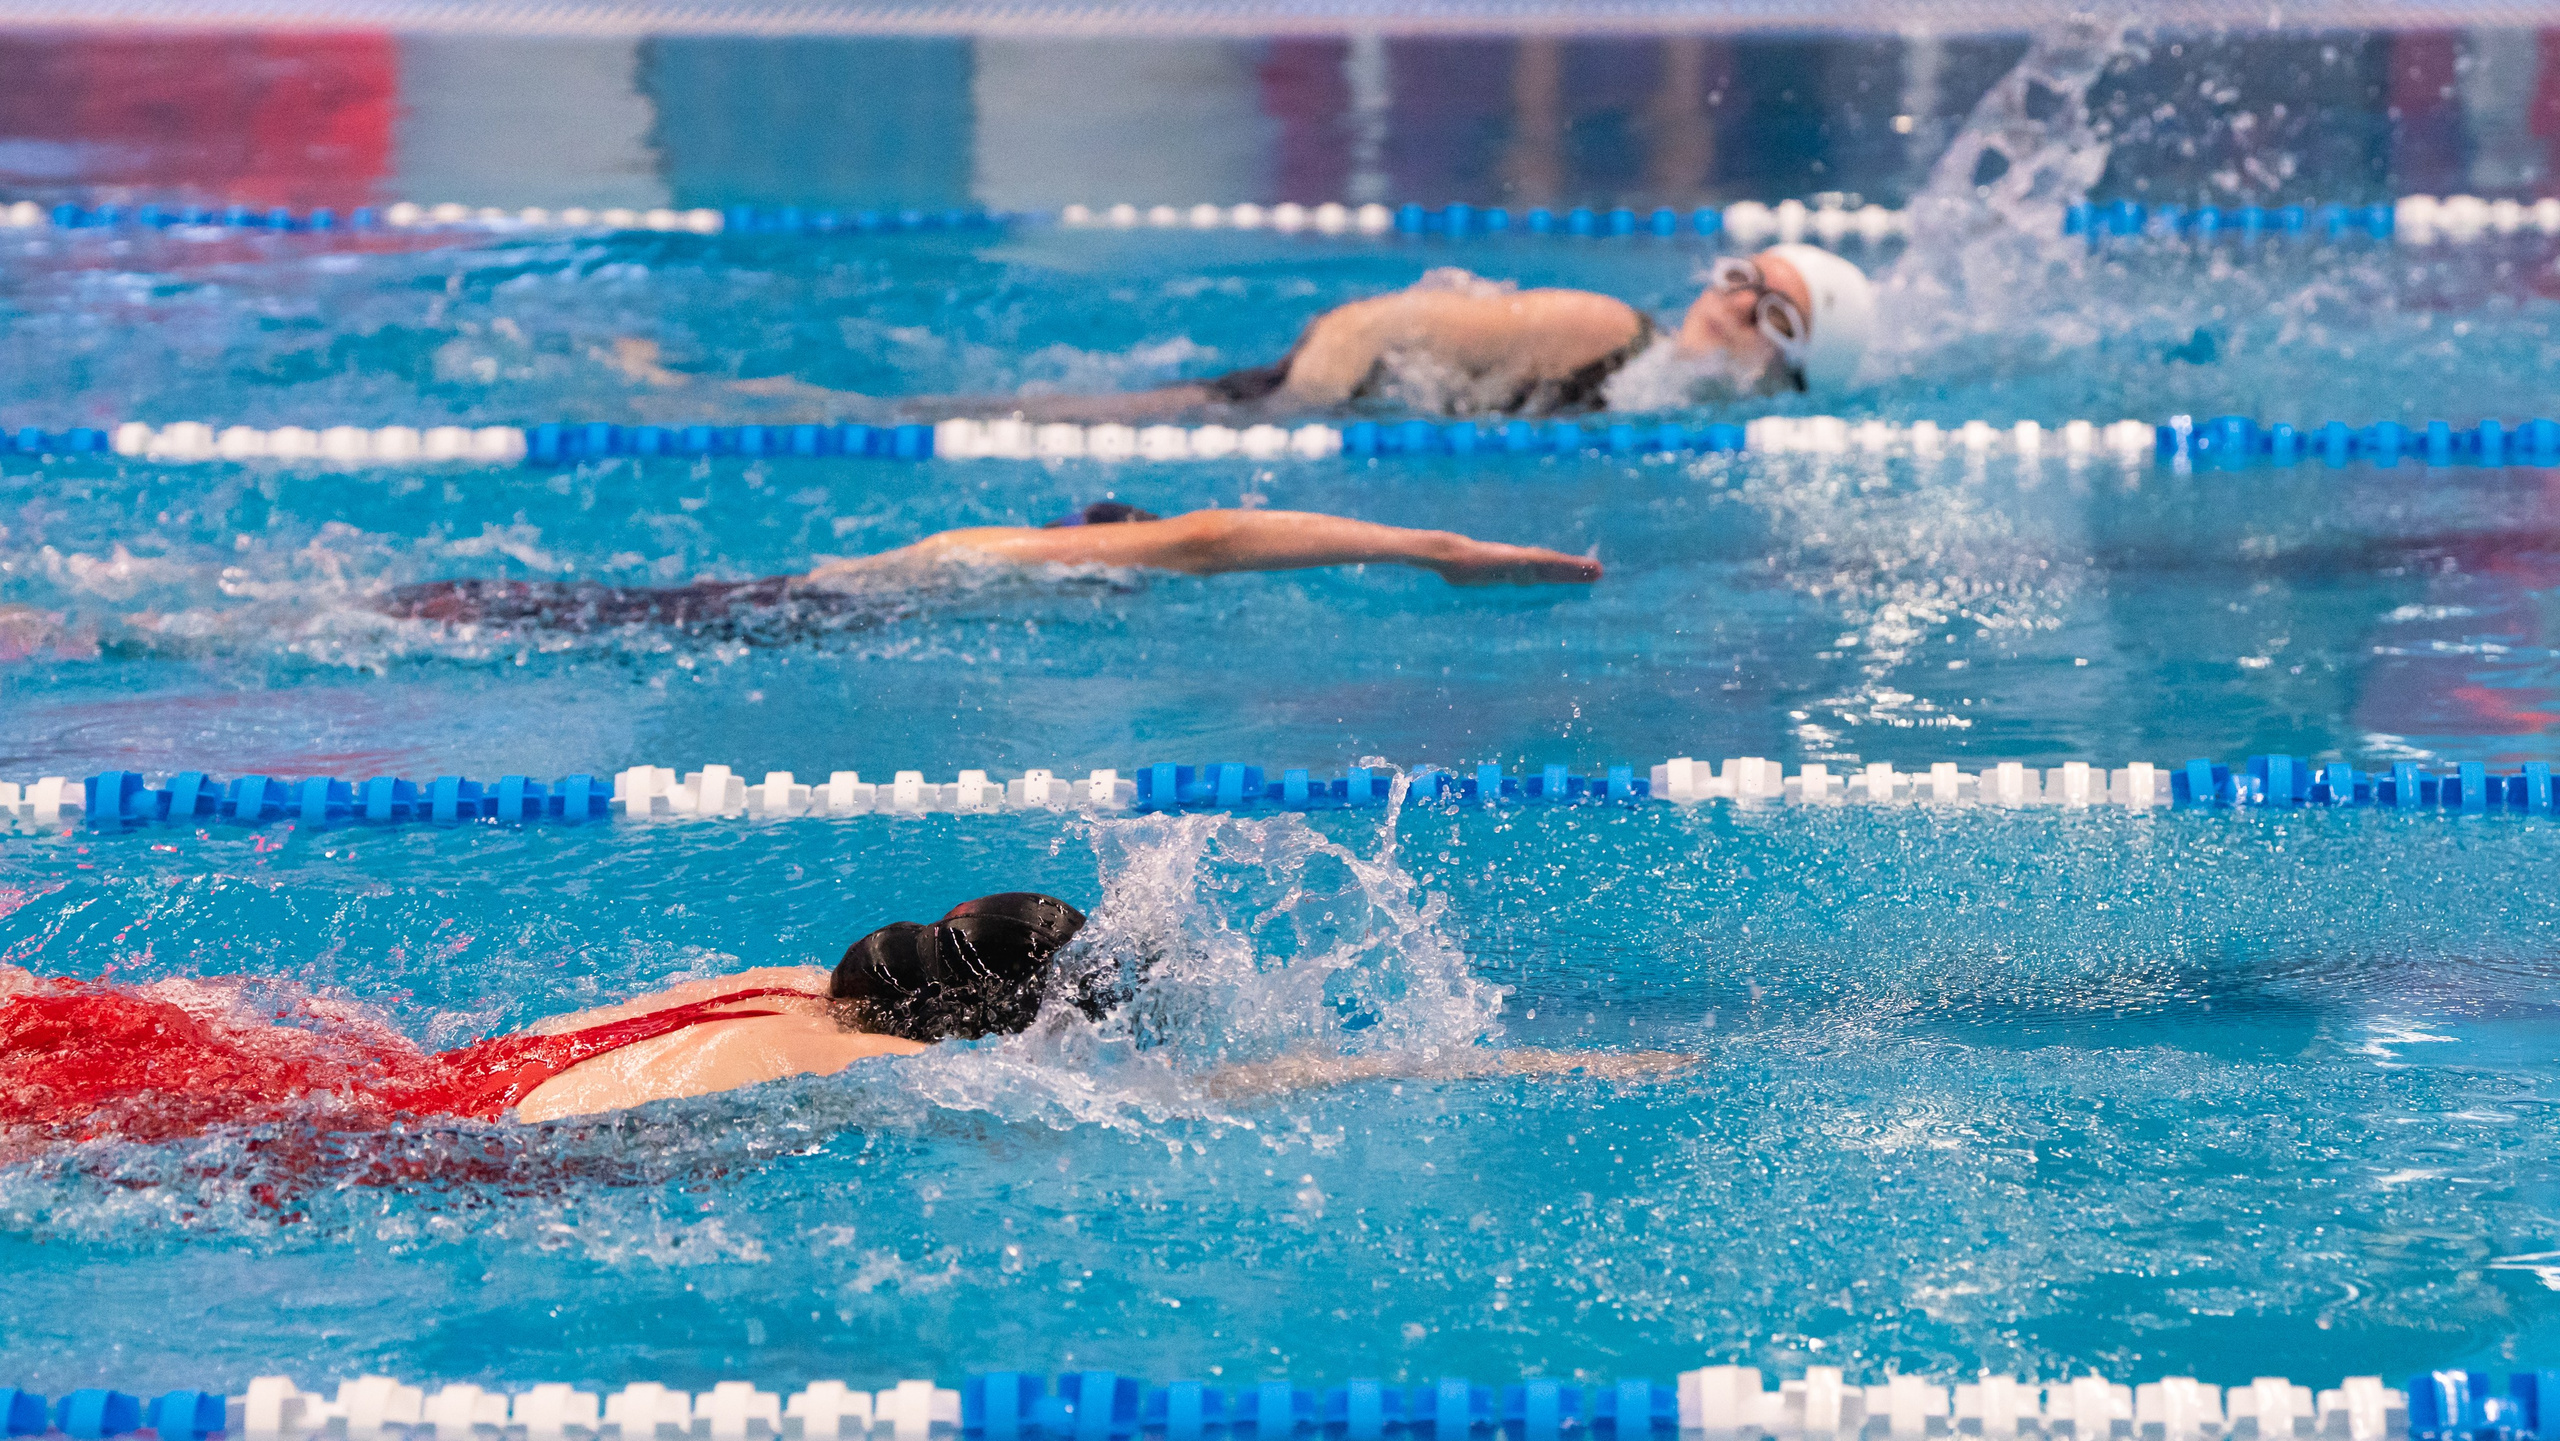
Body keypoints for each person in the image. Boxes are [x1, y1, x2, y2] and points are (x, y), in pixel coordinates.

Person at [0, 893, 1690, 1145]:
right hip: (343, 1144)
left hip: (343, 1068)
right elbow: (1220, 1095)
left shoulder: (774, 982)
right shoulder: (861, 1070)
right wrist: (1503, 1058)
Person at [602, 245, 1877, 424]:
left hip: (1321, 402)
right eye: (1736, 276)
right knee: (970, 420)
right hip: (1287, 393)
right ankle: (713, 394)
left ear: (1793, 363)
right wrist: (1293, 415)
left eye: (1764, 306)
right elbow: (1375, 320)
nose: (1727, 300)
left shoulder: (1656, 394)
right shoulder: (1601, 328)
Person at [377, 501, 1601, 634]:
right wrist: (1441, 550)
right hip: (746, 614)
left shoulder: (976, 559)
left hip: (759, 608)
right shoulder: (1006, 555)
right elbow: (1217, 536)